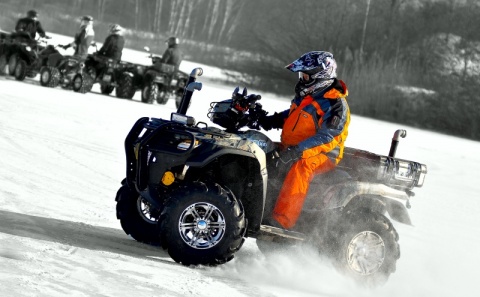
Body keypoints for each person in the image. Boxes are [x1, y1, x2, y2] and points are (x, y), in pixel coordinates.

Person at [259, 51, 351, 230]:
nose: (302, 79)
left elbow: (328, 137)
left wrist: (297, 151)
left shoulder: (335, 104)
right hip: (295, 146)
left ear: (321, 76)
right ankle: (260, 204)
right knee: (262, 149)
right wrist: (270, 120)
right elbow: (292, 116)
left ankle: (281, 222)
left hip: (323, 155)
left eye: (306, 75)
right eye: (302, 75)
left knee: (300, 167)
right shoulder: (309, 97)